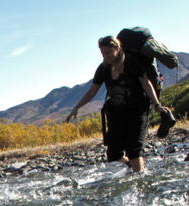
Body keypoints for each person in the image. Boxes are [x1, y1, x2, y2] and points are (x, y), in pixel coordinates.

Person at [64, 35, 171, 173]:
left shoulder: (132, 63)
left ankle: (138, 180)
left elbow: (146, 84)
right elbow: (91, 91)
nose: (105, 56)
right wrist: (76, 107)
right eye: (103, 53)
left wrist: (157, 105)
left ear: (117, 48)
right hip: (117, 113)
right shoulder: (103, 69)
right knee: (113, 154)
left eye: (108, 52)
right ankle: (132, 167)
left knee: (134, 150)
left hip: (138, 110)